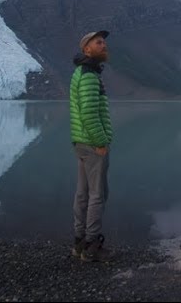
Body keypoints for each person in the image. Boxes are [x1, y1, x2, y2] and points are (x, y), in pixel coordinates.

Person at [70, 29, 113, 262]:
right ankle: (91, 245)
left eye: (104, 42)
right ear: (87, 49)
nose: (104, 45)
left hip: (81, 142)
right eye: (98, 42)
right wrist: (100, 142)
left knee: (83, 193)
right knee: (98, 195)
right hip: (91, 143)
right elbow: (88, 112)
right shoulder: (88, 74)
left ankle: (79, 242)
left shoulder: (83, 71)